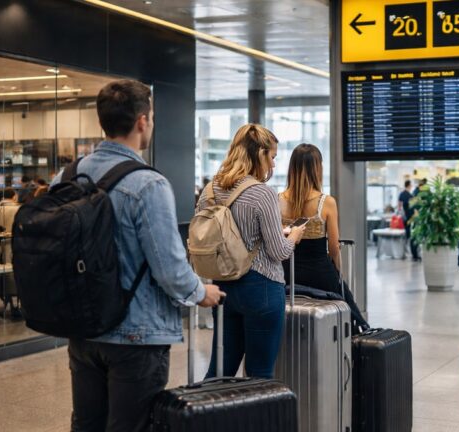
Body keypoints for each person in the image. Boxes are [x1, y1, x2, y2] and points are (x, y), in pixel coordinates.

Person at [52, 80, 224, 432]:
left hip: (83, 329)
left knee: (87, 424)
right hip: (137, 334)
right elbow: (169, 268)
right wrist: (199, 292)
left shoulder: (65, 176)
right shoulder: (148, 184)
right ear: (143, 121)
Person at [196, 123, 305, 380]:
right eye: (273, 157)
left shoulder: (210, 191)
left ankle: (209, 418)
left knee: (219, 371)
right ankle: (255, 421)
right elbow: (279, 251)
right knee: (259, 374)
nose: (274, 165)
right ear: (260, 154)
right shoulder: (261, 193)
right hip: (262, 288)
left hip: (222, 287)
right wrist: (295, 236)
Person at [279, 143, 370, 333]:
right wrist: (337, 270)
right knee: (347, 304)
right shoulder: (326, 202)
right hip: (319, 273)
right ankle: (358, 334)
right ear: (317, 168)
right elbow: (334, 247)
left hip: (286, 273)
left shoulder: (278, 199)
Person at [397, 180, 420, 261]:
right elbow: (414, 208)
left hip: (405, 218)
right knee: (410, 236)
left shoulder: (402, 194)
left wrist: (400, 214)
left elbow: (399, 206)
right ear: (409, 185)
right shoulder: (410, 195)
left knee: (406, 236)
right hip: (411, 218)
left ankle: (405, 252)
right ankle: (410, 252)